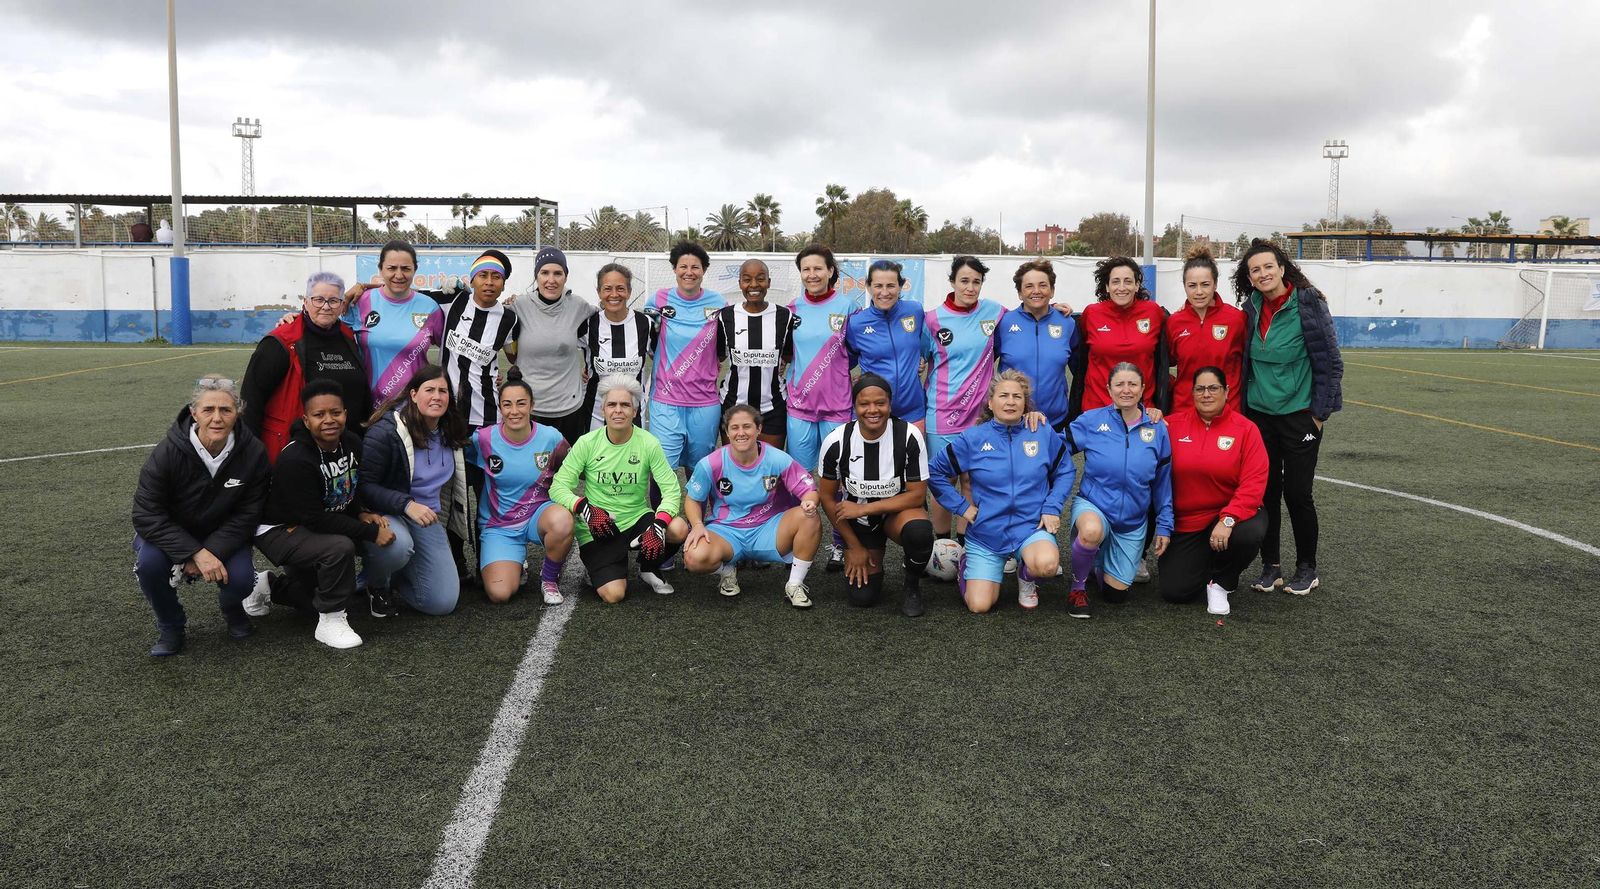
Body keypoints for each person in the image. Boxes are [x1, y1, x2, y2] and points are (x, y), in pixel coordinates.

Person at [250, 379, 396, 650]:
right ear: (306, 420)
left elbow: (345, 488)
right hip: (280, 529)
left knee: (310, 601)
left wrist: (360, 512)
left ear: (345, 414)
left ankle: (268, 585)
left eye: (335, 412)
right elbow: (315, 518)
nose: (329, 420)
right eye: (319, 415)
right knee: (340, 546)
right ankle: (331, 620)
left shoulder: (351, 442)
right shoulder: (296, 459)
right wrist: (371, 532)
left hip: (312, 525)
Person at [131, 374, 271, 656]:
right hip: (172, 533)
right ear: (194, 412)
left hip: (223, 535)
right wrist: (194, 552)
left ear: (238, 412)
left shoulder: (253, 452)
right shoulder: (167, 452)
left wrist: (212, 550)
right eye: (208, 410)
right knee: (149, 566)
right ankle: (171, 626)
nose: (216, 418)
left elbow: (248, 513)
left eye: (225, 410)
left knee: (242, 579)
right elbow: (146, 513)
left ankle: (233, 611)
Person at [1233, 239, 1343, 596]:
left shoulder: (1309, 304)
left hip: (1299, 417)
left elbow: (1330, 362)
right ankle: (1271, 567)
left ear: (1282, 268)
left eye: (1268, 266)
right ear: (1249, 278)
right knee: (1266, 493)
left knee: (1298, 494)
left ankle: (1307, 568)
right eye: (1255, 270)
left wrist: (1319, 415)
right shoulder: (1249, 309)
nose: (1263, 274)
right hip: (1260, 418)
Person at [927, 370, 1074, 614]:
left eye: (1017, 397)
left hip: (1030, 528)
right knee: (980, 606)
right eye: (1003, 396)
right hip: (986, 533)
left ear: (1025, 403)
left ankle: (1026, 575)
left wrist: (1051, 507)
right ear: (990, 402)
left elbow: (1066, 471)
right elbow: (935, 472)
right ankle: (968, 563)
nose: (1010, 402)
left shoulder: (1041, 432)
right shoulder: (973, 438)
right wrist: (963, 508)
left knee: (1047, 566)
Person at [549, 375, 689, 603]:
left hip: (636, 519)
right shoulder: (587, 443)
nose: (618, 410)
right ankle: (598, 567)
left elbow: (671, 490)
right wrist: (584, 508)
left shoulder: (648, 442)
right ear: (603, 410)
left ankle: (649, 566)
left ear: (635, 412)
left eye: (625, 405)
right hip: (599, 524)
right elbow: (558, 486)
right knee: (614, 595)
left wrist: (660, 524)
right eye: (612, 404)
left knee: (678, 528)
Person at [817, 374, 936, 617]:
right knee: (862, 598)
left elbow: (916, 495)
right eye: (864, 404)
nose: (873, 410)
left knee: (920, 533)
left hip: (897, 513)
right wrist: (853, 546)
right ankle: (869, 553)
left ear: (890, 404)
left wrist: (863, 509)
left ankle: (912, 584)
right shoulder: (836, 441)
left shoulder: (909, 435)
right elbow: (827, 498)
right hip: (859, 525)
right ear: (854, 406)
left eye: (880, 403)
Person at [357, 365, 471, 617]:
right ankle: (377, 584)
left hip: (427, 519)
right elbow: (364, 487)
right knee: (398, 546)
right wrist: (407, 504)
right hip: (390, 513)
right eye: (429, 390)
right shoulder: (387, 431)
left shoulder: (449, 429)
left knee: (442, 603)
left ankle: (396, 577)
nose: (437, 396)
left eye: (443, 391)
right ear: (413, 394)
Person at [682, 405, 822, 608]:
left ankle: (795, 584)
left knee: (809, 516)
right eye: (735, 427)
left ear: (758, 429)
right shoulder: (710, 463)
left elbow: (808, 488)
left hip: (769, 529)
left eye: (747, 426)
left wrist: (810, 501)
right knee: (694, 558)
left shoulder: (777, 458)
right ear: (727, 432)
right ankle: (727, 571)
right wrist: (697, 525)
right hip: (727, 531)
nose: (741, 433)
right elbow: (693, 498)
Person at [1064, 363, 1174, 617]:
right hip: (1094, 506)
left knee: (1116, 596)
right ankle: (1077, 588)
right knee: (1091, 531)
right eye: (1120, 384)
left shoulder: (1157, 428)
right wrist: (1031, 423)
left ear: (1143, 388)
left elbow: (1162, 482)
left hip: (1132, 521)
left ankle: (1097, 562)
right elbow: (1055, 450)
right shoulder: (1091, 420)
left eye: (1132, 384)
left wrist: (1165, 524)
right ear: (1109, 389)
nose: (1126, 390)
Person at [1160, 366, 1269, 615]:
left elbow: (1254, 482)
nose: (1206, 394)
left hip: (1231, 516)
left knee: (1249, 534)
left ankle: (1222, 582)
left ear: (1227, 391)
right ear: (1192, 393)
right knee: (1175, 592)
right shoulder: (1171, 425)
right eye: (1200, 389)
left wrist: (1229, 519)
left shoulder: (1246, 429)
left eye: (1213, 388)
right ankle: (1206, 563)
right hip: (1188, 521)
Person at [467, 369, 576, 606]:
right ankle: (517, 565)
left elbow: (571, 469)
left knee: (563, 520)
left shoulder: (551, 438)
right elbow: (459, 463)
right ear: (499, 407)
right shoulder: (483, 439)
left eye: (520, 404)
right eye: (507, 405)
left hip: (539, 516)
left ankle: (548, 580)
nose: (514, 411)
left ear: (532, 406)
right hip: (499, 525)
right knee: (500, 594)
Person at [241, 271, 369, 461]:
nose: (326, 306)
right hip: (297, 452)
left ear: (342, 305)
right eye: (318, 299)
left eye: (333, 301)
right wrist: (251, 455)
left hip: (344, 451)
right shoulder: (281, 342)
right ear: (306, 301)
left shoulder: (348, 336)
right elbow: (251, 402)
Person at [923, 255, 1007, 543]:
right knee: (943, 480)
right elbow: (921, 357)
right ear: (952, 282)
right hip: (941, 413)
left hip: (980, 415)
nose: (970, 287)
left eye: (976, 282)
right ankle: (941, 544)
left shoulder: (994, 313)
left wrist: (1062, 310)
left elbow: (1026, 315)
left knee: (971, 479)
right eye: (964, 281)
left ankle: (964, 542)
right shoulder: (932, 319)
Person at [647, 242, 728, 473]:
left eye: (696, 267)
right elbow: (646, 340)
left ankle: (696, 511)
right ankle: (662, 512)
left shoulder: (719, 303)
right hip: (666, 399)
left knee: (701, 469)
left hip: (704, 402)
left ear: (704, 270)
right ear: (674, 269)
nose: (689, 272)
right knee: (662, 469)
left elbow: (724, 346)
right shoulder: (658, 300)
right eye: (683, 266)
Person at [506, 246, 598, 444]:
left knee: (567, 472)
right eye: (544, 273)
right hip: (529, 408)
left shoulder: (579, 306)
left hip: (570, 407)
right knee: (532, 472)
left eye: (558, 273)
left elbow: (609, 318)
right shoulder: (518, 306)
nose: (551, 280)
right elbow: (486, 317)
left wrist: (591, 366)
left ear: (566, 276)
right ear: (536, 276)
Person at [783, 244, 862, 471]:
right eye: (806, 269)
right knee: (801, 474)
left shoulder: (848, 307)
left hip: (837, 404)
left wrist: (839, 372)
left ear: (830, 271)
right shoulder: (792, 310)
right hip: (800, 404)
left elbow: (858, 351)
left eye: (817, 268)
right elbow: (786, 351)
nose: (811, 275)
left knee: (837, 473)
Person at [344, 240, 445, 407]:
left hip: (414, 407)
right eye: (391, 268)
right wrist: (293, 319)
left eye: (405, 268)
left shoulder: (430, 308)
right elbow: (328, 330)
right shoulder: (360, 301)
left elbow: (452, 353)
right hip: (368, 405)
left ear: (415, 270)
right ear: (381, 269)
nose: (399, 275)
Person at [1068, 256, 1170, 421]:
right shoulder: (1092, 314)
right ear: (1107, 286)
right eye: (1115, 282)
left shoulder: (1154, 312)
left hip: (1142, 411)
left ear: (1137, 285)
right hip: (1097, 410)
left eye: (1128, 281)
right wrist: (1053, 308)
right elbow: (1080, 356)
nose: (1122, 288)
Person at [716, 259, 794, 447]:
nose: (753, 285)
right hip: (733, 405)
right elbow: (719, 356)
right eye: (746, 279)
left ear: (769, 282)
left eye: (760, 279)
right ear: (740, 283)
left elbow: (788, 355)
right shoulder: (726, 316)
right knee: (735, 468)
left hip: (773, 407)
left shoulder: (785, 316)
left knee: (770, 471)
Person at [995, 258, 1076, 431]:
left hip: (1055, 422)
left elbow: (1080, 370)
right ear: (1019, 293)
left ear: (1052, 290)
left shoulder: (1068, 323)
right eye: (1029, 286)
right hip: (1013, 420)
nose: (1036, 291)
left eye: (1043, 285)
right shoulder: (1003, 322)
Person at [844, 260, 926, 428]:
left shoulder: (915, 311)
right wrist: (850, 381)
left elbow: (927, 345)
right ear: (868, 286)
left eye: (891, 286)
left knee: (912, 455)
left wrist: (922, 359)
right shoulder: (856, 323)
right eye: (878, 286)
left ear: (900, 286)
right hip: (873, 411)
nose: (884, 292)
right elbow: (846, 359)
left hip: (913, 410)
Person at [1167, 244, 1247, 414]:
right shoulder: (1174, 322)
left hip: (1227, 412)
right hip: (1184, 411)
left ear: (1215, 284)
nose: (1199, 292)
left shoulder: (1236, 319)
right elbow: (1166, 363)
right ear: (1184, 286)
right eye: (1192, 285)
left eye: (1205, 284)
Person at [580, 263, 655, 430]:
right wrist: (578, 372)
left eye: (620, 288)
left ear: (628, 291)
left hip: (634, 413)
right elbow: (562, 349)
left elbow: (662, 359)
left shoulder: (645, 324)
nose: (614, 294)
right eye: (607, 289)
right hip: (596, 414)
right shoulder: (588, 324)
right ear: (599, 292)